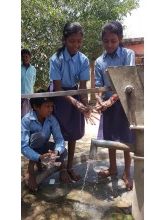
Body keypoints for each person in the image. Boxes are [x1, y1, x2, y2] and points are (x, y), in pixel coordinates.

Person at [48, 22, 95, 182]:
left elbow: (82, 87)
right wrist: (75, 103)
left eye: (79, 41)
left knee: (74, 134)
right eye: (72, 41)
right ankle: (61, 168)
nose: (76, 45)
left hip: (75, 94)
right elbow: (58, 88)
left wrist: (85, 105)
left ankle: (70, 168)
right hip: (59, 96)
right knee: (59, 135)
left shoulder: (83, 60)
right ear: (64, 40)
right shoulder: (56, 59)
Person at [94, 20, 136, 191]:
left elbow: (128, 80)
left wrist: (109, 101)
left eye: (113, 41)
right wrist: (98, 101)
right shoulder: (99, 61)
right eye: (106, 41)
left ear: (120, 39)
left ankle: (126, 172)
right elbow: (98, 86)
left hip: (125, 103)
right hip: (107, 105)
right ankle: (112, 168)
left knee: (126, 139)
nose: (109, 44)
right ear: (102, 41)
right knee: (110, 138)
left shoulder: (128, 54)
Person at [21, 89, 70, 191]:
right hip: (33, 149)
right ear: (35, 106)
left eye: (52, 106)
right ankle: (30, 170)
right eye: (47, 106)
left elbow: (59, 138)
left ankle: (62, 169)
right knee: (39, 136)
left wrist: (55, 152)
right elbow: (24, 146)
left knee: (63, 152)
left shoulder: (51, 119)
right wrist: (39, 157)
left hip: (44, 148)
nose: (51, 109)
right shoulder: (26, 120)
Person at [21, 49, 36, 118]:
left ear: (29, 57)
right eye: (23, 57)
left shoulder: (33, 69)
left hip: (28, 97)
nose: (24, 58)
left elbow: (33, 81)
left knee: (26, 118)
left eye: (26, 56)